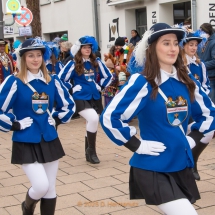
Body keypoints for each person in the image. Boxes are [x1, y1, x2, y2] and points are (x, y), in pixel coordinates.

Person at [100, 23, 215, 215]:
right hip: (153, 166)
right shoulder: (142, 81)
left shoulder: (186, 80)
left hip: (181, 163)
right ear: (152, 48)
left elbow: (209, 113)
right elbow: (110, 117)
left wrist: (193, 138)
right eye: (166, 43)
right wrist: (136, 145)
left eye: (176, 43)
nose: (172, 48)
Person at [0, 37, 75, 215]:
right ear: (23, 59)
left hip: (49, 138)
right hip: (25, 139)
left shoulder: (52, 81)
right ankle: (27, 207)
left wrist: (56, 119)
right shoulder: (14, 82)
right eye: (30, 55)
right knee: (41, 186)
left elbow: (69, 105)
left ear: (44, 57)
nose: (35, 59)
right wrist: (15, 124)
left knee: (50, 188)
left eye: (39, 55)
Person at [58, 36, 112, 164]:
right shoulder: (73, 63)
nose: (87, 49)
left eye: (89, 47)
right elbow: (60, 79)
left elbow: (108, 76)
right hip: (80, 96)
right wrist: (72, 88)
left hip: (94, 96)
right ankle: (92, 151)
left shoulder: (96, 61)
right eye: (84, 47)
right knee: (93, 118)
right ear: (79, 48)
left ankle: (88, 152)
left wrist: (100, 85)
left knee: (91, 121)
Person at [198, 23, 215, 103]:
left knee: (210, 103)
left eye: (202, 32)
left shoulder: (213, 43)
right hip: (202, 77)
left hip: (211, 78)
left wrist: (201, 65)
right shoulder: (202, 41)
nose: (200, 34)